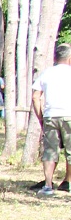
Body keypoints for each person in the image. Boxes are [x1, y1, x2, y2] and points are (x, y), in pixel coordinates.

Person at [30, 43, 71, 195]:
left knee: (50, 151)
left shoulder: (47, 73)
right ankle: (68, 182)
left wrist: (41, 117)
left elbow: (35, 97)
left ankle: (48, 185)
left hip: (50, 115)